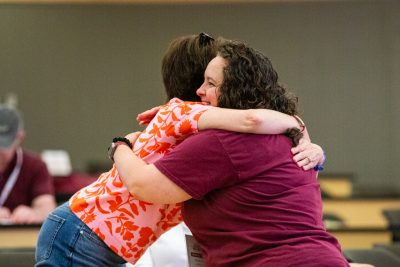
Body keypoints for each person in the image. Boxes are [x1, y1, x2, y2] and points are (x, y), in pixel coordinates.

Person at [35, 33, 324, 266]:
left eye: (211, 83)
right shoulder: (186, 114)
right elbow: (254, 118)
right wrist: (120, 145)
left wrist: (306, 139)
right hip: (82, 231)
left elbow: (255, 119)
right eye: (205, 80)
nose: (203, 89)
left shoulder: (203, 125)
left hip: (98, 238)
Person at [113, 39, 349, 266]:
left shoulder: (222, 142)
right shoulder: (289, 134)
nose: (200, 91)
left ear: (236, 91)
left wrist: (120, 145)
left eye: (211, 84)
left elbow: (142, 186)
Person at [0, 104, 56, 224]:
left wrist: (34, 214)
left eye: (5, 145)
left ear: (20, 137)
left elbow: (47, 208)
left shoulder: (35, 166)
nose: (1, 150)